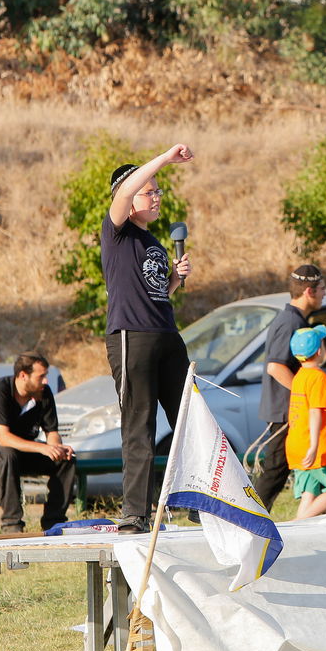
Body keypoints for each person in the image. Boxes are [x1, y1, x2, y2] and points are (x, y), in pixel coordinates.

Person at [103, 144, 193, 534]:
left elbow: (157, 293)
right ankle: (135, 515)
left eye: (159, 191)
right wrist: (166, 159)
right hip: (132, 337)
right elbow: (125, 191)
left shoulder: (153, 242)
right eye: (149, 191)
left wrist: (176, 278)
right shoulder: (117, 231)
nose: (156, 197)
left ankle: (202, 501)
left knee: (189, 417)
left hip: (166, 336)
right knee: (140, 425)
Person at [0, 352, 76, 533]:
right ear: (23, 375)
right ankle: (12, 524)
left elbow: (52, 433)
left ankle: (54, 523)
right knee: (7, 454)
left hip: (24, 449)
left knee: (66, 459)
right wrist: (43, 448)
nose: (45, 382)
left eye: (46, 376)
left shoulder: (44, 393)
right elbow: (4, 438)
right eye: (41, 376)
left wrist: (57, 448)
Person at [250, 264, 326, 511]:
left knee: (309, 466)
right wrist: (303, 396)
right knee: (274, 472)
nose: (325, 293)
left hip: (289, 411)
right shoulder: (290, 322)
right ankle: (249, 520)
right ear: (309, 291)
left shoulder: (295, 319)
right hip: (285, 412)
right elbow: (276, 367)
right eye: (322, 289)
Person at [285, 324, 326, 519]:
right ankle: (297, 523)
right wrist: (314, 446)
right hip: (315, 449)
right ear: (320, 351)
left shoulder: (299, 376)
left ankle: (297, 531)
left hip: (296, 444)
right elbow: (314, 412)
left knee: (309, 494)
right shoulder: (318, 377)